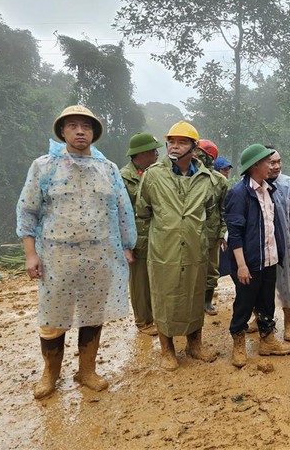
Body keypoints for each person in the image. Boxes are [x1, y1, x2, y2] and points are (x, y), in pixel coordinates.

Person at [17, 105, 137, 399]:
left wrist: (126, 246)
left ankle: (87, 370)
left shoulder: (107, 169)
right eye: (72, 126)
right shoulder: (44, 166)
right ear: (62, 132)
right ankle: (50, 374)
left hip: (99, 256)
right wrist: (30, 254)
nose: (80, 131)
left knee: (92, 314)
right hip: (57, 257)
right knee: (53, 319)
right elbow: (27, 211)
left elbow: (123, 211)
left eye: (86, 126)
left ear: (94, 132)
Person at [136, 121, 217, 371]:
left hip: (195, 249)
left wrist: (207, 240)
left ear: (194, 148)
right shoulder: (153, 175)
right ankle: (167, 350)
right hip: (163, 250)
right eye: (171, 141)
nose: (174, 146)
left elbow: (212, 212)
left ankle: (195, 344)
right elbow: (143, 211)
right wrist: (145, 245)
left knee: (194, 295)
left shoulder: (206, 178)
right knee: (164, 298)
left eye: (182, 142)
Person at [225, 144, 290, 368]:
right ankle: (238, 344)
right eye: (267, 162)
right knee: (244, 304)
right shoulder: (239, 193)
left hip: (269, 259)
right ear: (255, 166)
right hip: (249, 263)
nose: (272, 166)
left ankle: (267, 341)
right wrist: (241, 265)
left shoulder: (268, 190)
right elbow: (235, 233)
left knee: (266, 302)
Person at [120, 132, 162, 336]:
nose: (156, 154)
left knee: (155, 279)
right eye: (153, 151)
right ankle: (143, 321)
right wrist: (125, 245)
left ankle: (154, 315)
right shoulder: (123, 177)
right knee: (139, 283)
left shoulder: (156, 173)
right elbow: (118, 213)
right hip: (136, 238)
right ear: (140, 154)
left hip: (155, 236)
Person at [266, 145, 290, 341]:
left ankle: (289, 323)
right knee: (261, 284)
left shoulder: (288, 183)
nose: (277, 166)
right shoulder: (254, 183)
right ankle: (261, 319)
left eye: (279, 161)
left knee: (286, 282)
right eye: (272, 162)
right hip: (261, 244)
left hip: (284, 241)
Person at [197, 139, 228, 316]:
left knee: (211, 270)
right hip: (188, 233)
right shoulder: (182, 177)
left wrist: (222, 232)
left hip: (211, 232)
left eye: (200, 154)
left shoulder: (219, 181)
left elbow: (223, 209)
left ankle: (207, 302)